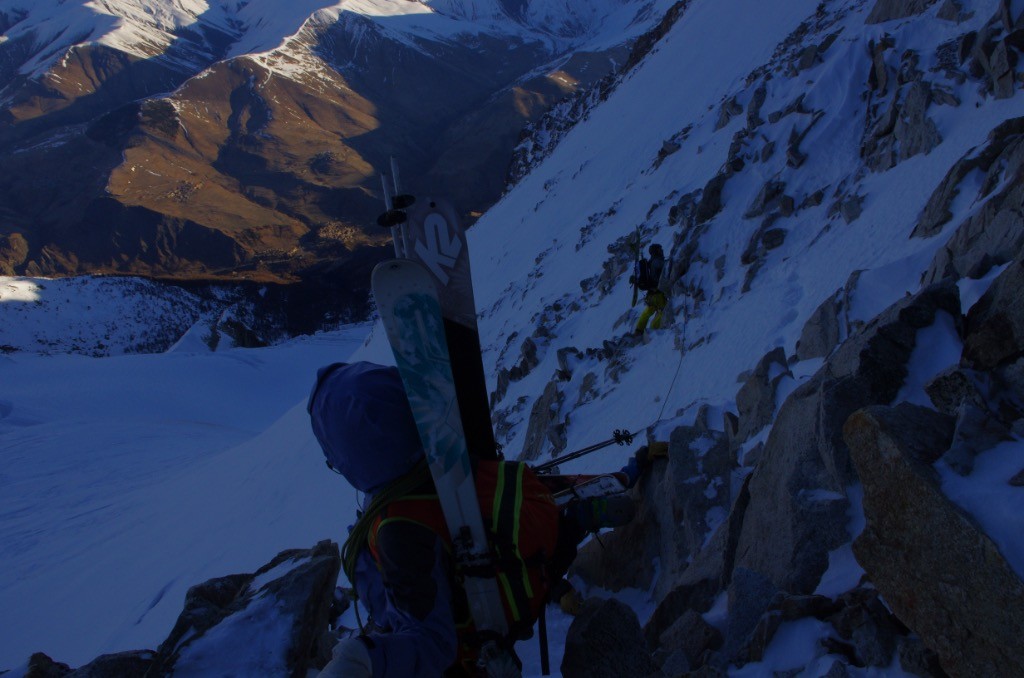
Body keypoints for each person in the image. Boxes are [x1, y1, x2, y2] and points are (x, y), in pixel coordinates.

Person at [307, 361, 647, 678]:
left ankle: (580, 519)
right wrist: (626, 474)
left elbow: (434, 644)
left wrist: (366, 657)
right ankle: (583, 513)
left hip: (476, 634)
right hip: (518, 562)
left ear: (354, 459)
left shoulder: (397, 531)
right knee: (546, 510)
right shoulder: (442, 462)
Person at [634, 243, 667, 334]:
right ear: (657, 251)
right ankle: (652, 332)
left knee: (648, 311)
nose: (662, 251)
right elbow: (665, 266)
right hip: (658, 293)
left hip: (650, 294)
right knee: (661, 312)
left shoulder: (649, 262)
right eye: (660, 250)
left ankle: (639, 330)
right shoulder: (658, 261)